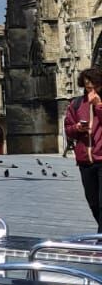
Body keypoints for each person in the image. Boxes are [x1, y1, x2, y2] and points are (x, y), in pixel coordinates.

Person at [65, 68, 102, 227]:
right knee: (93, 203)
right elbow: (68, 129)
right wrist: (77, 128)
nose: (91, 88)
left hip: (101, 159)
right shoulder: (77, 104)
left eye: (94, 85)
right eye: (87, 85)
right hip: (85, 162)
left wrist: (98, 105)